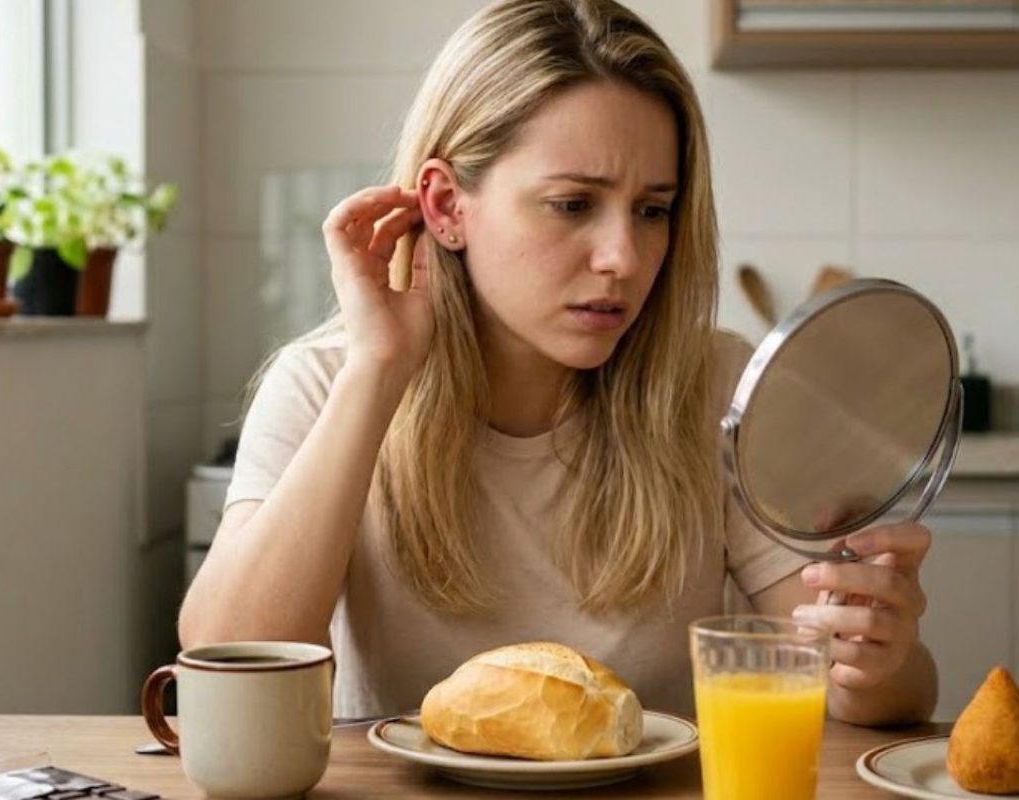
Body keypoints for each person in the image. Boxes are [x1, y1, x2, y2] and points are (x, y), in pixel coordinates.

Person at [179, 0, 937, 726]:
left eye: (653, 210)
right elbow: (222, 660)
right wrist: (378, 369)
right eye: (574, 204)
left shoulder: (713, 388)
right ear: (445, 209)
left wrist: (876, 656)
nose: (624, 258)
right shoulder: (325, 383)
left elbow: (876, 696)